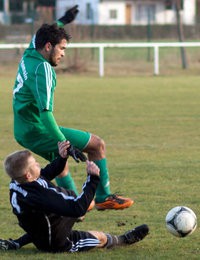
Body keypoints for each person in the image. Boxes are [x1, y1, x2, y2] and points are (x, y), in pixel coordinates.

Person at [12, 5, 133, 210]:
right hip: (36, 129)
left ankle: (76, 206)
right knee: (97, 145)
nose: (64, 54)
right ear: (49, 47)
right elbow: (46, 115)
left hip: (23, 129)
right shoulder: (43, 70)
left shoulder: (32, 52)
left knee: (60, 163)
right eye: (62, 48)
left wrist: (63, 21)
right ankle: (102, 198)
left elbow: (43, 32)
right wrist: (64, 143)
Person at [0, 142, 149, 253]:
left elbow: (45, 174)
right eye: (34, 164)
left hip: (41, 226)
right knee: (98, 236)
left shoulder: (18, 182)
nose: (38, 164)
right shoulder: (40, 196)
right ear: (28, 174)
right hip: (56, 241)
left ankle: (16, 243)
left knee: (45, 222)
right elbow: (77, 209)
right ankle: (121, 240)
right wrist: (93, 178)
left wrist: (62, 157)